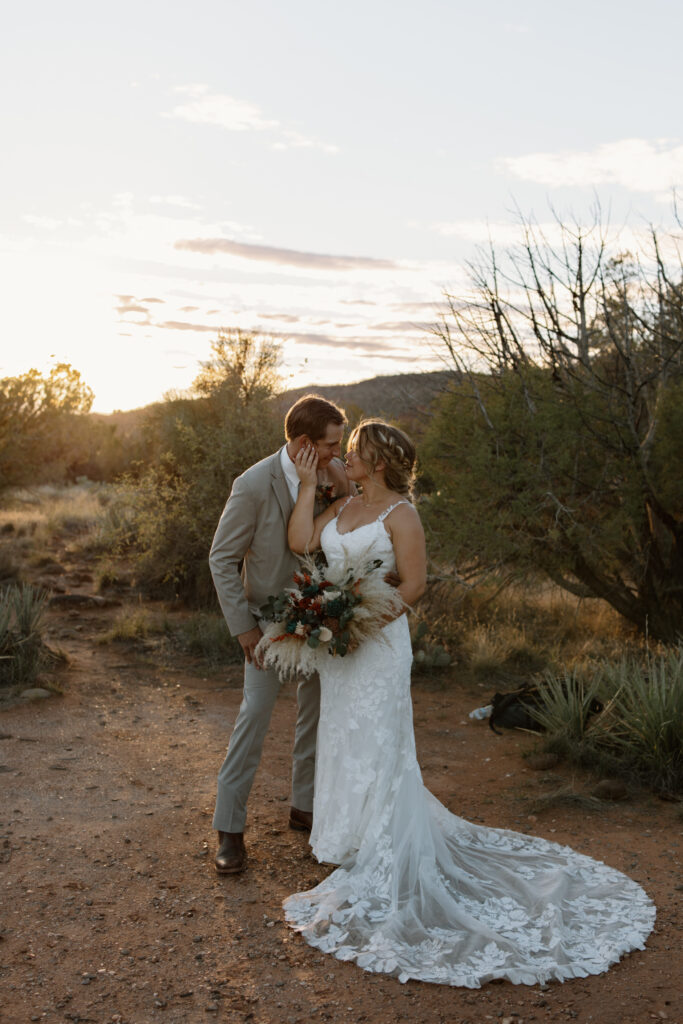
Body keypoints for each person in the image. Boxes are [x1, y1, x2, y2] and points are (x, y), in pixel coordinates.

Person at [282, 418, 656, 987]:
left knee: (380, 741)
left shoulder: (401, 515)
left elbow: (413, 584)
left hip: (377, 646)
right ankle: (347, 837)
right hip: (342, 653)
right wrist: (310, 490)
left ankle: (386, 847)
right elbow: (301, 543)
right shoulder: (341, 505)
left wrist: (360, 623)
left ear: (380, 461)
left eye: (355, 451)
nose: (347, 458)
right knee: (341, 736)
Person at [209, 394, 350, 875]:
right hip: (267, 623)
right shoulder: (251, 485)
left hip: (323, 617)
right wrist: (244, 628)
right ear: (304, 444)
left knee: (317, 713)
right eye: (331, 445)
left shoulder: (333, 476)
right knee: (254, 716)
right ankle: (229, 827)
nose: (338, 452)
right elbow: (221, 559)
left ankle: (304, 806)